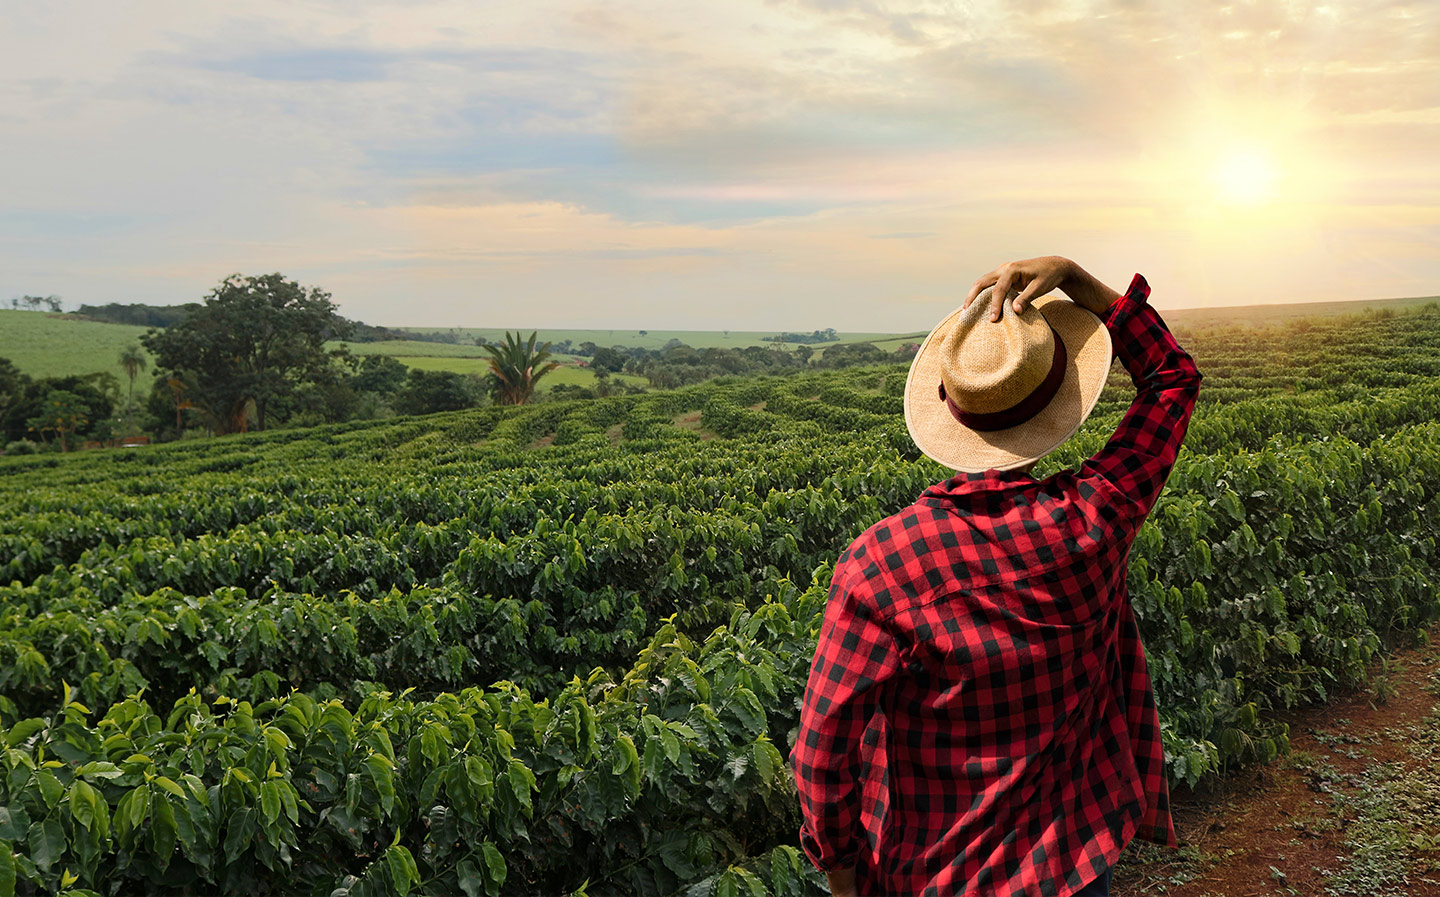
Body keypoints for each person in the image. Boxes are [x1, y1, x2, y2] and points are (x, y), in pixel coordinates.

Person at [791, 256, 1202, 897]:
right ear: (1061, 402)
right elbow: (1171, 380)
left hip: (939, 873)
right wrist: (1079, 281)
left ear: (950, 410)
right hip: (1074, 854)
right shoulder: (1094, 519)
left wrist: (842, 873)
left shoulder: (881, 566)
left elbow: (822, 751)